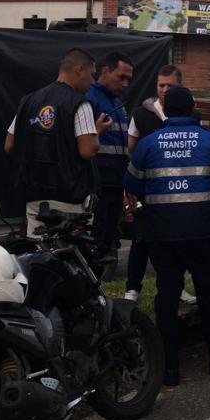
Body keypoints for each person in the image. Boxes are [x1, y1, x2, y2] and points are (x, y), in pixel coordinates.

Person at [123, 86, 210, 387]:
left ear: (167, 111)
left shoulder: (148, 144)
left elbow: (131, 182)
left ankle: (170, 369)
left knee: (167, 296)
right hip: (204, 231)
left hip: (163, 234)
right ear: (192, 109)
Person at [5, 48, 108, 235]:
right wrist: (97, 131)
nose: (92, 82)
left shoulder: (28, 102)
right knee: (70, 256)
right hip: (69, 200)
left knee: (41, 257)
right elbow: (88, 150)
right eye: (91, 75)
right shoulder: (79, 103)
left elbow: (9, 144)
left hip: (35, 199)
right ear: (79, 70)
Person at [123, 65, 196, 305]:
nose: (164, 90)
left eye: (170, 86)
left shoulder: (191, 115)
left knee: (179, 241)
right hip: (149, 190)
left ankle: (178, 287)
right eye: (161, 85)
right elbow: (132, 150)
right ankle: (132, 288)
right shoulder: (141, 113)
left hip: (181, 191)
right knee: (141, 238)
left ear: (180, 86)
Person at [85, 52, 133, 269]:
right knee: (94, 237)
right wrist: (96, 131)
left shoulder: (118, 103)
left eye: (128, 80)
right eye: (120, 77)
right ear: (105, 71)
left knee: (108, 238)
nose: (125, 84)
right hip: (97, 182)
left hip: (116, 182)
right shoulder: (90, 98)